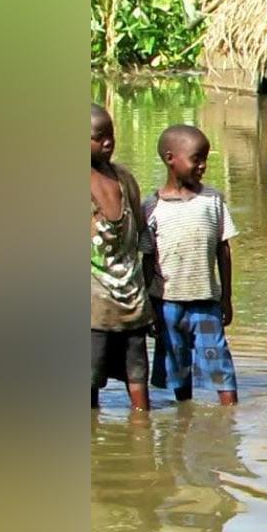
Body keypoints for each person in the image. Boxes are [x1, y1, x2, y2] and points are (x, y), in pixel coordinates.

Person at [143, 125, 240, 406]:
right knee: (177, 365)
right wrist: (149, 305)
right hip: (168, 303)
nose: (203, 166)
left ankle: (230, 412)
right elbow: (148, 258)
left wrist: (226, 297)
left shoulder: (212, 200)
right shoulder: (152, 207)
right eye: (196, 159)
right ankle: (184, 413)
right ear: (171, 159)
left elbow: (224, 250)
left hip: (206, 302)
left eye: (205, 159)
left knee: (219, 361)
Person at [91, 104, 153, 412]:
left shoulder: (124, 179)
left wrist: (151, 289)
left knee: (138, 373)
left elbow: (142, 236)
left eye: (111, 135)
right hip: (92, 305)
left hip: (132, 297)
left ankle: (141, 436)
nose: (108, 142)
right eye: (98, 136)